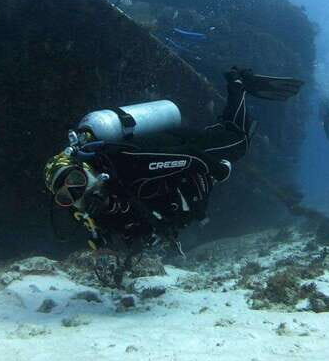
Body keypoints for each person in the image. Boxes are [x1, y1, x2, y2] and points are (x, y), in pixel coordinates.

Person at [43, 67, 303, 281]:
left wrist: (218, 169)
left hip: (177, 146)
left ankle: (238, 82)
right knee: (222, 136)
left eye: (76, 179)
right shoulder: (89, 209)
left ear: (85, 169)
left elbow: (190, 159)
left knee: (236, 142)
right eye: (68, 195)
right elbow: (115, 232)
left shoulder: (125, 164)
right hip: (174, 165)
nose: (79, 191)